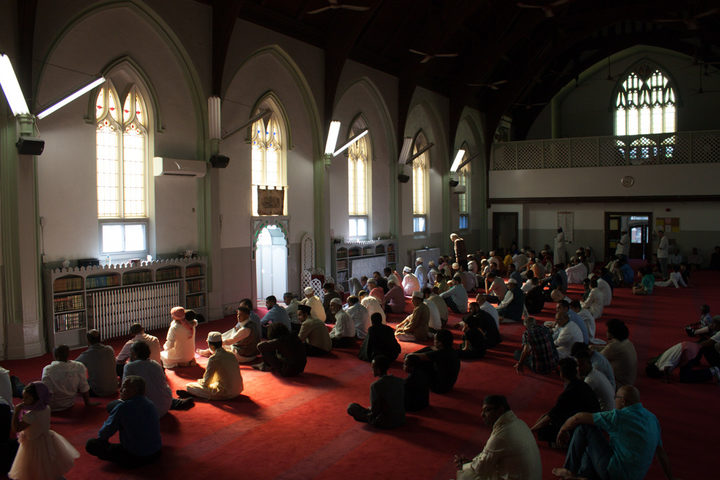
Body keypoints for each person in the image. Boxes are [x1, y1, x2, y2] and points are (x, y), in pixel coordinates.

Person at [552, 386, 678, 480]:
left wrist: (563, 429)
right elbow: (661, 453)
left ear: (623, 401)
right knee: (591, 444)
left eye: (615, 398)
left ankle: (568, 470)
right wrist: (671, 478)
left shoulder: (619, 416)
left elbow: (578, 418)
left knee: (585, 428)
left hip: (616, 475)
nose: (614, 401)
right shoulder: (652, 418)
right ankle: (583, 476)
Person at [454, 395, 542, 480]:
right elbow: (487, 456)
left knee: (468, 475)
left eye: (487, 410)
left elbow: (480, 468)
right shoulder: (520, 423)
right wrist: (472, 463)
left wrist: (465, 465)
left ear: (500, 410)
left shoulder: (501, 435)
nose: (482, 415)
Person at [86, 376, 162, 467]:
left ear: (135, 391)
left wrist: (103, 441)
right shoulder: (150, 404)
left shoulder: (123, 407)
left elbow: (104, 433)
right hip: (156, 452)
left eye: (124, 387)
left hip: (136, 456)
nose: (121, 390)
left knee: (92, 444)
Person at [9, 382, 79, 479]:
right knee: (49, 464)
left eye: (27, 398)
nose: (23, 400)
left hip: (34, 444)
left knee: (35, 468)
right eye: (23, 397)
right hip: (47, 439)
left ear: (37, 398)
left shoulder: (31, 415)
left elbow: (16, 428)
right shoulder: (46, 407)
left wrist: (16, 412)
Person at [531, 357, 600, 447]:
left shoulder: (568, 392)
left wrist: (531, 430)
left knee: (542, 431)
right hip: (594, 423)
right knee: (546, 417)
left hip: (585, 430)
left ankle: (565, 443)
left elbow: (549, 418)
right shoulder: (582, 384)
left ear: (562, 374)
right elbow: (555, 411)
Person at [123, 341, 193, 416]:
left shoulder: (129, 367)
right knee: (158, 394)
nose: (129, 355)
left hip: (147, 411)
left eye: (131, 353)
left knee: (113, 405)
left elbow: (124, 390)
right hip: (165, 405)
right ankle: (176, 402)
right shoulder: (155, 364)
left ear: (135, 355)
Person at [179, 332, 244, 400]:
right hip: (238, 389)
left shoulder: (214, 359)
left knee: (190, 386)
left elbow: (206, 382)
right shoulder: (231, 354)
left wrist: (199, 381)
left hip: (226, 393)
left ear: (211, 346)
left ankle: (194, 394)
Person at [347, 355, 405, 429]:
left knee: (352, 407)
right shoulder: (399, 380)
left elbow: (375, 411)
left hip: (384, 421)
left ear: (377, 369)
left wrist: (370, 410)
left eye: (373, 368)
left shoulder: (376, 386)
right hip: (401, 418)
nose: (372, 370)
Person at [41, 345, 96, 412]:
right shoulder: (79, 366)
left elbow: (47, 392)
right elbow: (84, 387)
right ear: (68, 354)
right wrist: (88, 403)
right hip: (69, 403)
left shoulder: (48, 369)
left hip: (52, 406)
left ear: (55, 356)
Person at [407, 329, 461, 394]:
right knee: (426, 360)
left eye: (435, 340)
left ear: (440, 343)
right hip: (448, 386)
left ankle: (412, 383)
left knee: (416, 361)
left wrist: (407, 359)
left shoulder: (440, 353)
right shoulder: (452, 351)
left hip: (439, 388)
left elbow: (411, 356)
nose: (433, 341)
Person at [76, 329, 118, 397]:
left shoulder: (88, 354)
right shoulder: (110, 349)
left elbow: (73, 365)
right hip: (114, 388)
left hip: (98, 391)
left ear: (88, 341)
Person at [600, 318, 638, 387]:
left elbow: (597, 358)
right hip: (629, 381)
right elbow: (606, 349)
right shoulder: (627, 342)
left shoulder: (613, 347)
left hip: (619, 385)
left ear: (611, 333)